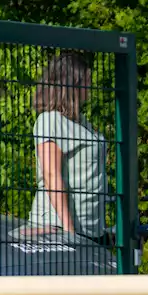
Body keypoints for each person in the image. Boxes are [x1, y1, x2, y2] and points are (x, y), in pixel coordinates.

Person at [28, 51, 108, 244]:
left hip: (89, 229)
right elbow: (51, 175)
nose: (90, 85)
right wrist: (69, 231)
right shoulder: (49, 120)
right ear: (72, 82)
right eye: (86, 80)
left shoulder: (82, 121)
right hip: (57, 230)